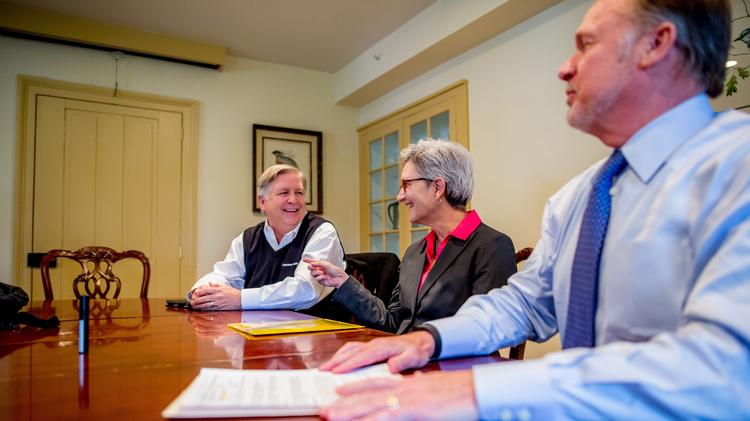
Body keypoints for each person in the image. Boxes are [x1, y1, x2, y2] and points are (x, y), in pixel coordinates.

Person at [317, 0, 750, 419]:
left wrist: (474, 390)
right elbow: (525, 303)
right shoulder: (579, 196)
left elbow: (725, 370)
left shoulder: (737, 168)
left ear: (656, 44)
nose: (565, 67)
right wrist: (427, 340)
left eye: (586, 44)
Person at [305, 140, 516, 334]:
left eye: (407, 185)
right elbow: (393, 323)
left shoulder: (492, 246)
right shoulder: (415, 252)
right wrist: (343, 282)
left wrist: (419, 348)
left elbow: (490, 330)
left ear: (437, 187)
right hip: (407, 362)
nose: (400, 196)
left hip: (455, 371)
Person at [187, 164, 345, 313]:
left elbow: (306, 290)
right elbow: (223, 275)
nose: (293, 200)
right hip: (259, 331)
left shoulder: (322, 232)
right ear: (262, 201)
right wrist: (201, 292)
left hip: (317, 333)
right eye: (284, 193)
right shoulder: (247, 239)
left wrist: (241, 299)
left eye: (299, 193)